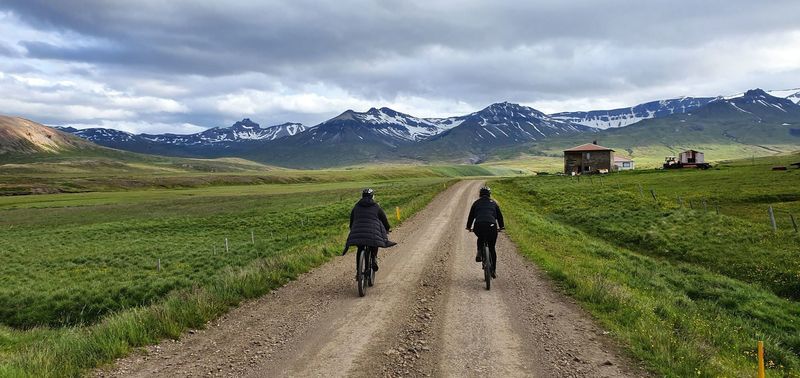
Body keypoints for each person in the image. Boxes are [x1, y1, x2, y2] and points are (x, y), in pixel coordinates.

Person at [343, 188, 396, 271]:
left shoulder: (356, 206)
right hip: (372, 232)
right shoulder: (376, 206)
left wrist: (352, 229)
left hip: (358, 231)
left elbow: (352, 220)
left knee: (360, 249)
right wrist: (387, 228)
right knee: (374, 244)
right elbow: (384, 219)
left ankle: (358, 271)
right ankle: (374, 259)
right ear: (372, 196)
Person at [466, 186, 504, 278]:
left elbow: (471, 217)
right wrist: (501, 227)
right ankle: (493, 271)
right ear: (489, 194)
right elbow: (499, 217)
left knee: (481, 237)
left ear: (480, 194)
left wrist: (468, 227)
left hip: (479, 225)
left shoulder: (476, 203)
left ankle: (479, 252)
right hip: (492, 226)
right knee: (492, 248)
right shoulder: (494, 203)